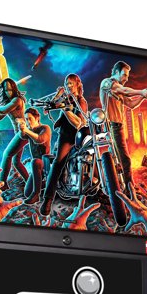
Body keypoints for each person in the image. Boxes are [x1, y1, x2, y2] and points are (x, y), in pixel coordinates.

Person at [98, 61, 147, 197]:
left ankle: (123, 189)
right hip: (112, 126)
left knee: (120, 160)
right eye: (124, 75)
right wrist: (141, 91)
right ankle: (130, 191)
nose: (126, 78)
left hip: (118, 127)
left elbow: (131, 104)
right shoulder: (107, 83)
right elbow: (125, 91)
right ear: (116, 72)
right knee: (124, 160)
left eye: (127, 76)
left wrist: (143, 96)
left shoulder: (118, 89)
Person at [39, 73, 89, 216]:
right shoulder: (65, 98)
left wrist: (64, 108)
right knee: (58, 163)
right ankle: (48, 199)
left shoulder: (81, 101)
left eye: (71, 83)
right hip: (65, 135)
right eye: (67, 84)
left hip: (78, 136)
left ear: (77, 85)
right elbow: (50, 106)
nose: (68, 86)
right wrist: (58, 95)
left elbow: (79, 123)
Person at [0, 78, 37, 192]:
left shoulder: (17, 100)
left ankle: (3, 184)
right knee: (16, 162)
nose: (8, 92)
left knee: (7, 155)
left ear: (14, 89)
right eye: (6, 90)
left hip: (23, 131)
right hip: (19, 132)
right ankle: (31, 183)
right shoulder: (10, 102)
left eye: (10, 89)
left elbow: (3, 111)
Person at [21, 106, 51, 206]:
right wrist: (21, 128)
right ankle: (44, 185)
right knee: (27, 193)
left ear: (37, 118)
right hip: (36, 167)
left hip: (45, 164)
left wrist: (27, 130)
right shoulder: (30, 131)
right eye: (26, 119)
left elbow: (40, 139)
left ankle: (36, 194)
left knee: (35, 161)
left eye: (30, 119)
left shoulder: (45, 128)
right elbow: (22, 136)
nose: (28, 121)